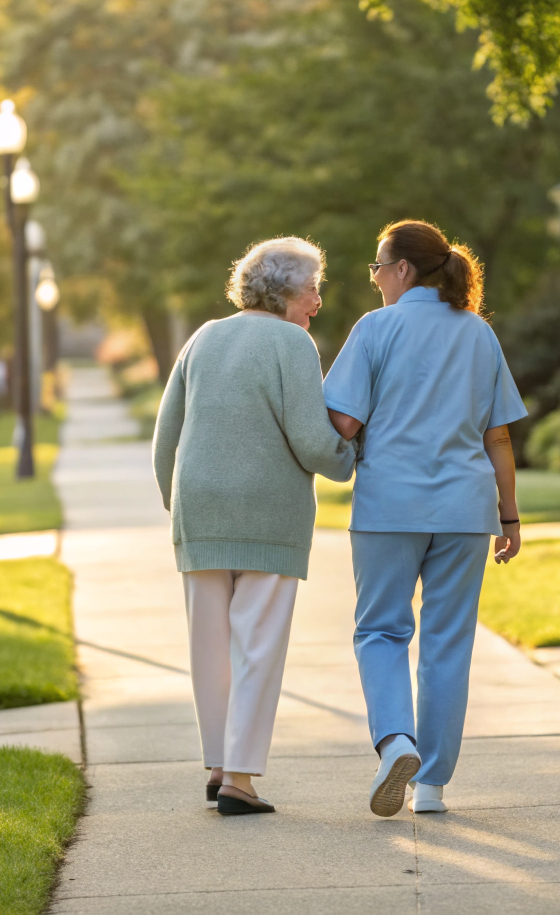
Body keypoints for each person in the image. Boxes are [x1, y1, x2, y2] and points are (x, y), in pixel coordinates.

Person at [324, 219, 526, 817]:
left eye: (378, 266)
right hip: (467, 511)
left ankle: (396, 744)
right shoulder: (479, 336)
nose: (375, 278)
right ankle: (432, 786)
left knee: (381, 631)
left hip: (391, 507)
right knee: (447, 642)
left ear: (403, 269)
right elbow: (501, 439)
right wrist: (508, 520)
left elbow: (343, 424)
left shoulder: (375, 330)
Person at [152, 237, 356, 816]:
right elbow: (313, 440)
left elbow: (166, 436)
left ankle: (218, 766)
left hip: (201, 511)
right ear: (287, 290)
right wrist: (351, 457)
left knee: (208, 647)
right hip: (267, 512)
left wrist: (180, 502)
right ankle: (240, 780)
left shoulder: (203, 337)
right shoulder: (293, 342)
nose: (318, 300)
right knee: (257, 645)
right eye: (313, 287)